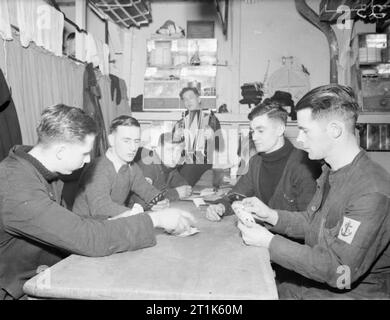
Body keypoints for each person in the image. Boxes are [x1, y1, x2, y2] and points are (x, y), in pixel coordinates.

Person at [0, 105, 195, 300]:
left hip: (45, 272)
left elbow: (72, 225)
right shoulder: (17, 186)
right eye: (85, 153)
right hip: (16, 289)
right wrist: (155, 219)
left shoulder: (38, 170)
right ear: (60, 151)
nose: (87, 161)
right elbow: (86, 236)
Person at [237, 84, 390, 299]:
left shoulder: (372, 192)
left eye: (305, 130)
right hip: (314, 284)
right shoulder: (331, 172)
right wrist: (271, 216)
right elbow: (313, 223)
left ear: (335, 130)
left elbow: (340, 272)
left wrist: (269, 242)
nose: (299, 139)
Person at [206, 100, 321, 222]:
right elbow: (238, 194)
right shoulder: (256, 161)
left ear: (280, 129)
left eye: (260, 131)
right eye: (253, 131)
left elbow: (310, 223)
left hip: (287, 240)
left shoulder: (304, 165)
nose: (254, 137)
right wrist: (220, 206)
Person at [72, 115, 170, 220]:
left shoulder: (131, 167)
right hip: (87, 227)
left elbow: (147, 190)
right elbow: (100, 207)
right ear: (111, 140)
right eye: (126, 141)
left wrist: (160, 200)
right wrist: (132, 213)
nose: (133, 148)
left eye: (136, 141)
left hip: (111, 223)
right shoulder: (99, 169)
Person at [173, 87, 223, 187]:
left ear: (199, 99)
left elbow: (219, 146)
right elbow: (172, 147)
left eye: (191, 98)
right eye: (185, 99)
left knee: (189, 168)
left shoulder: (211, 119)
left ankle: (180, 189)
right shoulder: (181, 122)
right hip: (183, 158)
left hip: (202, 159)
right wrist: (175, 138)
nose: (188, 101)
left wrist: (212, 137)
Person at [132, 132, 192, 206]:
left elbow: (183, 185)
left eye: (178, 151)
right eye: (170, 150)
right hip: (135, 213)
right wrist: (175, 193)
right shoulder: (147, 166)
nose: (175, 155)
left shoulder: (169, 166)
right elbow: (141, 200)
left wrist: (184, 189)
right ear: (158, 149)